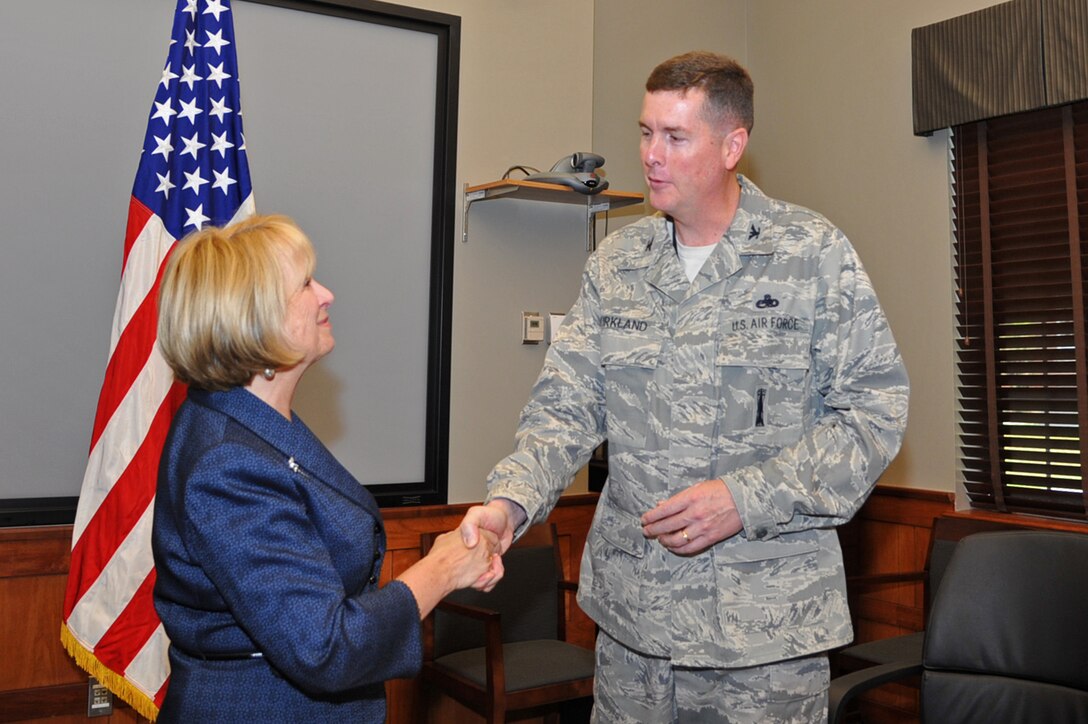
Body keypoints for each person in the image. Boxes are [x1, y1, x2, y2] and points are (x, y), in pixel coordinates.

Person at [462, 51, 909, 722]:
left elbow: (872, 417)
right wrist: (509, 504)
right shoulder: (616, 264)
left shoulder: (813, 254)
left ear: (733, 145)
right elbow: (564, 409)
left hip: (765, 642)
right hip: (633, 637)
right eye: (645, 132)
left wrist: (745, 498)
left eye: (674, 137)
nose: (650, 155)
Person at [152, 215, 500, 722]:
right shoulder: (227, 461)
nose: (327, 294)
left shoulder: (250, 421)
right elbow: (325, 648)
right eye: (306, 283)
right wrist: (444, 568)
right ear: (258, 317)